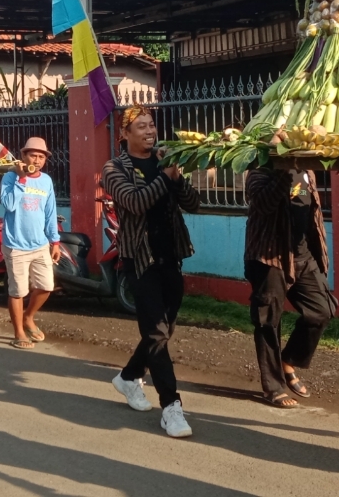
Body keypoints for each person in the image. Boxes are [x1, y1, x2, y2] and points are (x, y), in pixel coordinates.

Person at [102, 106, 201, 439]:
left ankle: (129, 377)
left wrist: (177, 175)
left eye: (151, 124)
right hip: (139, 260)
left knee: (163, 330)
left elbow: (193, 204)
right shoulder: (114, 168)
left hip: (170, 256)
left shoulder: (164, 162)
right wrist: (165, 177)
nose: (149, 130)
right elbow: (135, 202)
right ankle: (171, 407)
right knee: (157, 334)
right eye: (140, 126)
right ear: (125, 134)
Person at [243, 164, 336, 408]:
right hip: (270, 256)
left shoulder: (307, 171)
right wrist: (284, 171)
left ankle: (288, 360)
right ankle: (273, 387)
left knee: (321, 311)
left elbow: (306, 209)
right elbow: (263, 204)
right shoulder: (259, 172)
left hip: (303, 255)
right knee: (268, 321)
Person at [0, 137, 61, 349]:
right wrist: (21, 178)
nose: (37, 159)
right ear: (23, 156)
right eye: (33, 155)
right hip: (16, 245)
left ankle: (28, 317)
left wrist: (55, 241)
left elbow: (50, 212)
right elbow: (9, 204)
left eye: (41, 156)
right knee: (17, 291)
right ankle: (18, 332)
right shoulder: (10, 177)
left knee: (46, 287)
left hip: (40, 244)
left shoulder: (46, 181)